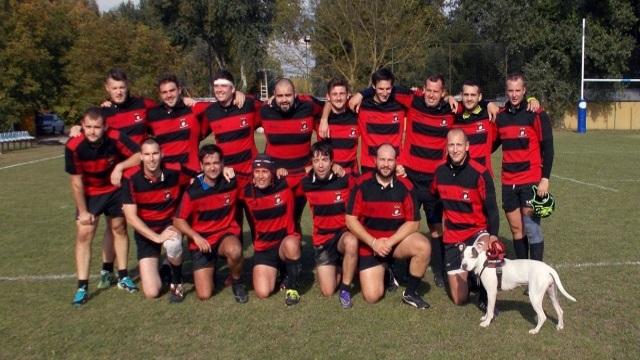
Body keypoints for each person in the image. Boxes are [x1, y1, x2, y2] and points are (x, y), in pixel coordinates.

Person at [65, 107, 141, 306]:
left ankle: (123, 276)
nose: (92, 131)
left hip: (114, 190)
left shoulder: (115, 137)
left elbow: (138, 155)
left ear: (105, 126)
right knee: (84, 233)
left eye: (97, 127)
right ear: (82, 126)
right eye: (88, 126)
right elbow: (76, 182)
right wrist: (82, 211)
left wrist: (120, 166)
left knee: (119, 228)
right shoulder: (73, 146)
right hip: (89, 193)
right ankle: (82, 286)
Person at [346, 144, 431, 308]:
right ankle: (386, 271)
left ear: (396, 162)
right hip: (370, 245)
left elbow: (414, 223)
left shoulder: (406, 186)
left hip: (395, 244)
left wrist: (389, 242)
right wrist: (373, 243)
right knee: (372, 296)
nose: (386, 164)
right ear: (375, 161)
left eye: (390, 160)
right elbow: (350, 219)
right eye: (382, 159)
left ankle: (410, 293)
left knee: (423, 245)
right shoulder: (361, 184)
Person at [427, 129, 500, 305]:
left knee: (484, 248)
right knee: (460, 299)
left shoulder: (480, 173)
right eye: (451, 145)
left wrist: (493, 236)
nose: (455, 149)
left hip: (476, 231)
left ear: (467, 146)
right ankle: (471, 278)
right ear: (446, 147)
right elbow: (432, 197)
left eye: (459, 144)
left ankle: (484, 293)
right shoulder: (439, 171)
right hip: (453, 236)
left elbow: (492, 210)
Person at [173, 145, 248, 303]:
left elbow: (255, 180)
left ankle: (237, 282)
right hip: (202, 242)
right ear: (201, 166)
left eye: (216, 163)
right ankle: (209, 270)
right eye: (207, 164)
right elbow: (178, 220)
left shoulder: (232, 182)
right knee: (204, 295)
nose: (212, 167)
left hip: (224, 236)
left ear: (222, 164)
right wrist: (196, 237)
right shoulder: (192, 191)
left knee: (235, 250)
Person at [121, 138, 189, 303]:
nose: (151, 158)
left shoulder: (175, 171)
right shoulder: (130, 178)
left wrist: (225, 170)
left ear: (162, 154)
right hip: (146, 232)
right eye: (147, 154)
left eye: (155, 153)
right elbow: (130, 217)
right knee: (152, 291)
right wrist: (157, 237)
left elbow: (202, 175)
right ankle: (165, 265)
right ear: (141, 157)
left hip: (169, 225)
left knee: (173, 243)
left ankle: (177, 281)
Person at [495, 73, 554, 262]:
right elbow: (490, 144)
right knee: (516, 229)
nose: (514, 95)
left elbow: (549, 148)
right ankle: (523, 271)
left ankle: (535, 275)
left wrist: (545, 178)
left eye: (518, 90)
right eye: (510, 90)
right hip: (508, 182)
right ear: (506, 91)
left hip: (530, 180)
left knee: (531, 228)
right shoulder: (500, 117)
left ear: (524, 90)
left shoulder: (535, 114)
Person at [258, 78, 324, 234]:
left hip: (302, 177)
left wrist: (326, 118)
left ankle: (294, 253)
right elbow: (247, 103)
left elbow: (329, 105)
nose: (284, 99)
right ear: (273, 95)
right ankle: (275, 254)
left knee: (295, 219)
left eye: (288, 95)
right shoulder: (265, 110)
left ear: (295, 94)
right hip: (277, 178)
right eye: (280, 96)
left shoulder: (308, 107)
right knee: (276, 220)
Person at [201, 70, 260, 243]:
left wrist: (243, 94)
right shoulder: (210, 112)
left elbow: (270, 103)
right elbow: (197, 134)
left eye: (224, 86)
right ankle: (238, 270)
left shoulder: (248, 104)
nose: (219, 89)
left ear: (233, 89)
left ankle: (269, 266)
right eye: (216, 86)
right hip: (227, 179)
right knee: (234, 231)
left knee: (259, 226)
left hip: (251, 179)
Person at [240, 154, 303, 306]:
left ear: (272, 173)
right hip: (264, 249)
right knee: (263, 292)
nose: (261, 176)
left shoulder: (285, 184)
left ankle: (292, 287)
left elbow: (308, 172)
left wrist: (334, 166)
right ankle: (279, 270)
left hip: (283, 244)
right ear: (253, 174)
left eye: (265, 172)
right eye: (257, 171)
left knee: (292, 244)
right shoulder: (246, 191)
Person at [302, 141, 358, 308]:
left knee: (351, 241)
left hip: (341, 235)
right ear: (311, 163)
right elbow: (285, 179)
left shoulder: (345, 180)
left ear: (332, 162)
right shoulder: (306, 183)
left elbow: (367, 183)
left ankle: (346, 290)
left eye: (325, 160)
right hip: (322, 241)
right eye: (316, 160)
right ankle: (343, 266)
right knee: (327, 291)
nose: (320, 165)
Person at [146, 74, 207, 177]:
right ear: (160, 95)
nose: (169, 95)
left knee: (207, 190)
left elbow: (219, 104)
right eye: (164, 92)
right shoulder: (152, 115)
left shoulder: (192, 108)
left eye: (172, 90)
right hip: (166, 175)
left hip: (194, 174)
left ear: (179, 90)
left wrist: (236, 94)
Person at [316, 78, 360, 175]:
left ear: (348, 95)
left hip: (352, 176)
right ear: (328, 96)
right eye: (334, 94)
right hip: (328, 177)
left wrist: (360, 96)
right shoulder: (319, 119)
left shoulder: (356, 117)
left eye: (342, 94)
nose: (338, 98)